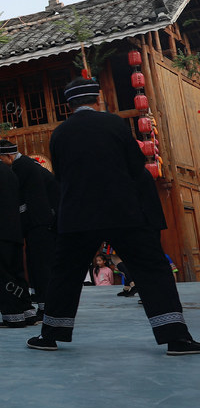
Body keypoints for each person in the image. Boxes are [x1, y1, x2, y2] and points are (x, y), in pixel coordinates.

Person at [28, 78, 200, 355]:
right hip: (123, 210)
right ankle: (176, 337)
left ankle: (50, 335)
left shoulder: (60, 133)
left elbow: (60, 177)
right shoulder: (115, 124)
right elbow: (136, 167)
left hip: (78, 214)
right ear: (97, 99)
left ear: (68, 105)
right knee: (152, 269)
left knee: (65, 273)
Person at [0, 140, 35, 328]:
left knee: (2, 274)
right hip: (14, 230)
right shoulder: (9, 172)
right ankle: (26, 311)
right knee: (17, 272)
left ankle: (13, 315)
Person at [10, 147, 58, 322]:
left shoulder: (21, 166)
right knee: (37, 265)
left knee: (41, 266)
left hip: (41, 224)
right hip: (41, 223)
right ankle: (46, 305)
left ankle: (48, 307)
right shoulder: (28, 165)